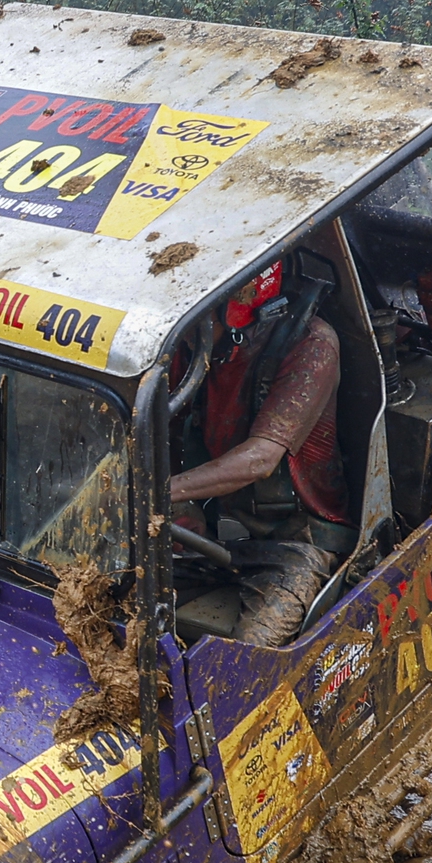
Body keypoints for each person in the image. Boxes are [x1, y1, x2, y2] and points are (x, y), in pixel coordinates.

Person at [163, 260, 350, 645]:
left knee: (251, 657)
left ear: (236, 310)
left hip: (297, 541)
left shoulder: (311, 345)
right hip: (220, 529)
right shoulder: (191, 347)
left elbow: (261, 458)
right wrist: (182, 508)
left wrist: (165, 491)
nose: (177, 332)